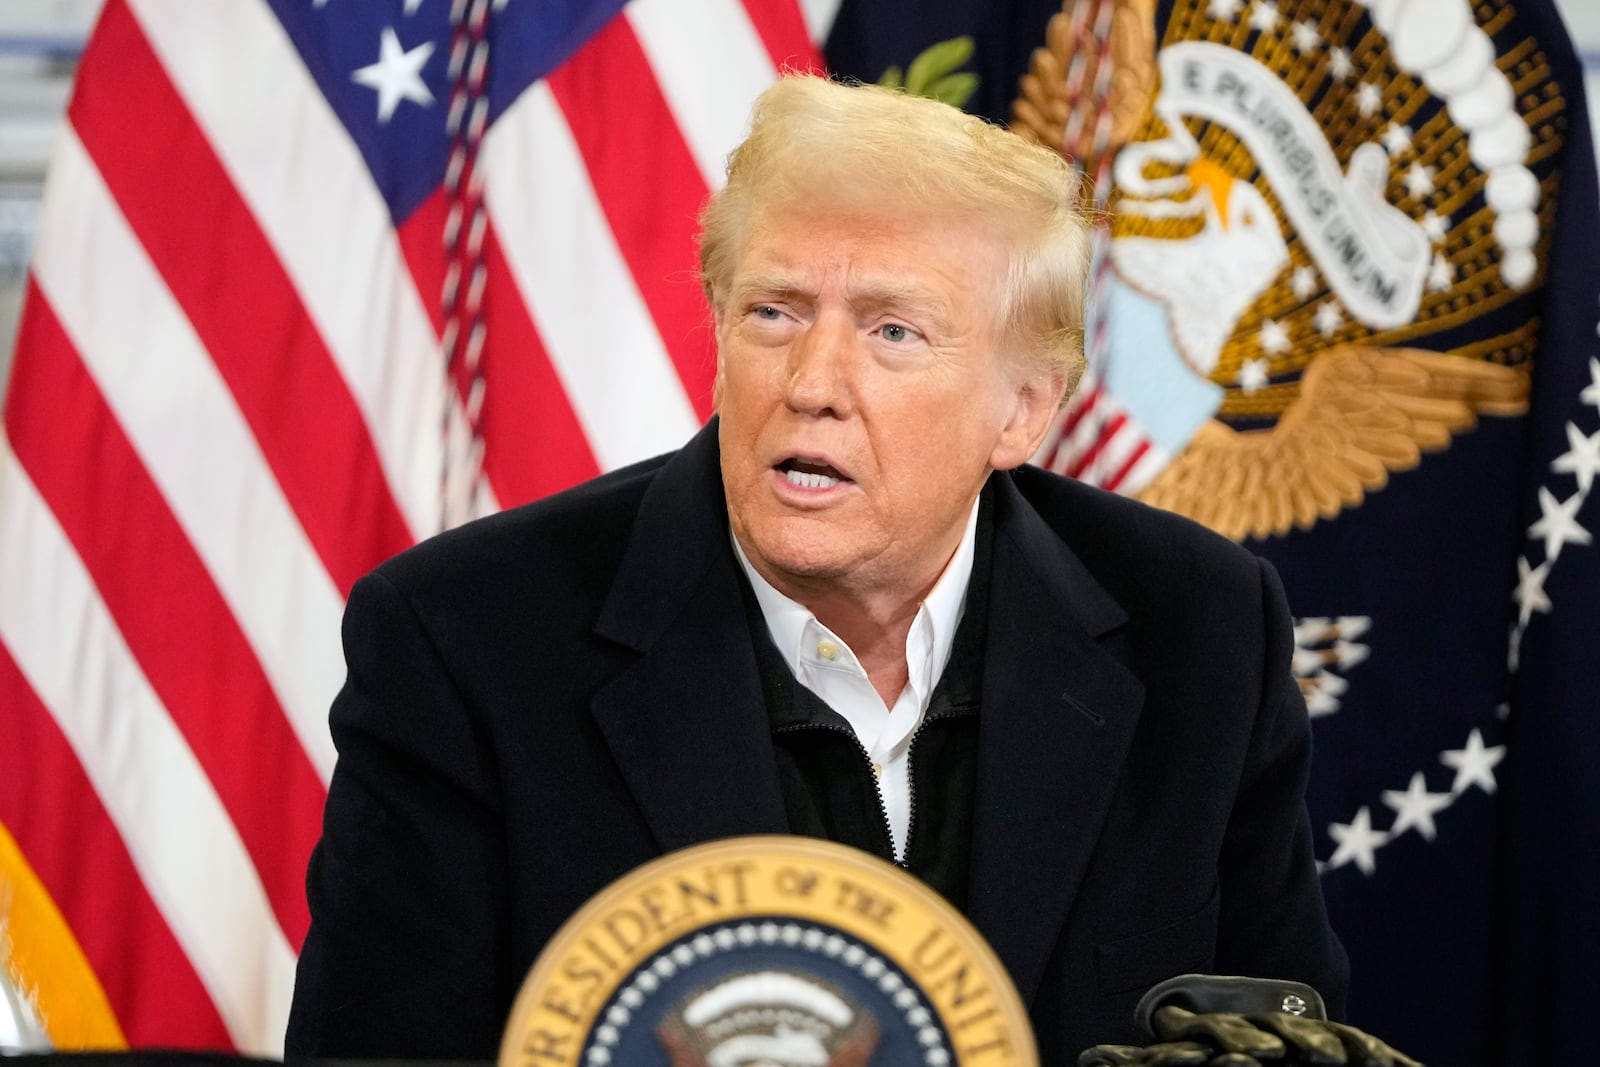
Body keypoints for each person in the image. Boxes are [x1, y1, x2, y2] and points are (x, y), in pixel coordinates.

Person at [285, 74, 1347, 1062]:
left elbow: (1286, 1026)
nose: (812, 382)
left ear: (1022, 408)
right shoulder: (466, 638)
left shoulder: (1199, 626)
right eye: (775, 312)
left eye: (892, 330)